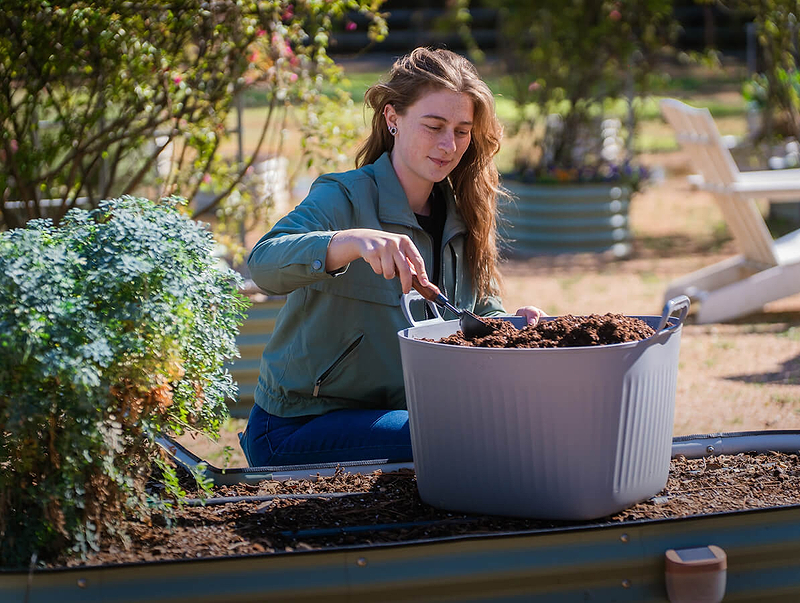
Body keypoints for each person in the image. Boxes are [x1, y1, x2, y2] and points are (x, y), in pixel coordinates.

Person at [240, 47, 544, 467]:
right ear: (392, 118)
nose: (448, 144)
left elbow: (476, 316)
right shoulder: (343, 195)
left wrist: (514, 327)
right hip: (297, 426)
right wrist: (350, 242)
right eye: (434, 126)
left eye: (461, 130)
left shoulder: (464, 214)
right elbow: (262, 264)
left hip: (407, 418)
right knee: (456, 437)